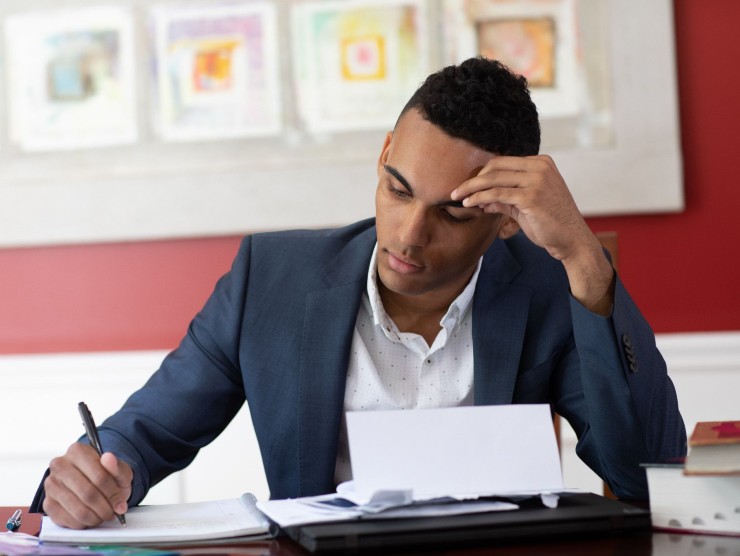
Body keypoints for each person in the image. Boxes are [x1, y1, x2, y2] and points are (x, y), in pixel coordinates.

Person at [31, 57, 686, 529]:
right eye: (398, 189)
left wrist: (583, 258)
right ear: (384, 156)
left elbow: (648, 478)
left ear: (506, 217)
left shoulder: (551, 289)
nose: (407, 232)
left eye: (453, 214)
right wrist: (86, 481)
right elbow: (139, 440)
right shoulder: (271, 280)